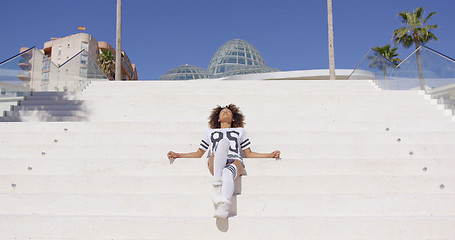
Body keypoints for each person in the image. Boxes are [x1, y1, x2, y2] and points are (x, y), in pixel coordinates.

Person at [167, 104, 280, 219]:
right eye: (222, 112)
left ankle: (223, 205)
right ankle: (217, 181)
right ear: (218, 119)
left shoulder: (240, 131)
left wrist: (269, 155)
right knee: (222, 145)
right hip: (215, 160)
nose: (225, 112)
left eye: (228, 111)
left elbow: (249, 153)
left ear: (233, 118)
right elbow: (199, 153)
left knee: (227, 172)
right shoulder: (209, 132)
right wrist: (179, 155)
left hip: (234, 160)